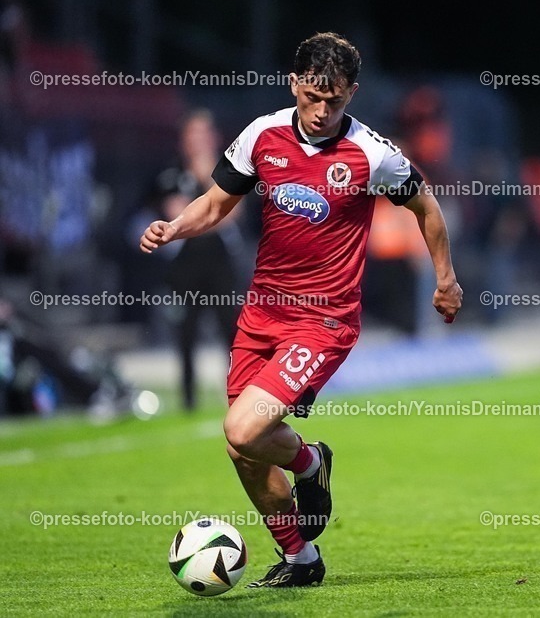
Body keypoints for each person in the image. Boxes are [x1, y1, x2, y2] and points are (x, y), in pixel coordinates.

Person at [140, 33, 463, 588]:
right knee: (243, 449)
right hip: (261, 315)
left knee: (242, 428)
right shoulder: (261, 136)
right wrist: (175, 227)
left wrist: (446, 278)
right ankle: (300, 559)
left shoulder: (371, 154)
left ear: (352, 94)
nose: (321, 111)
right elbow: (217, 201)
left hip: (324, 320)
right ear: (294, 84)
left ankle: (311, 462)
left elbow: (426, 207)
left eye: (334, 100)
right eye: (312, 96)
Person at [154, 109, 244, 411]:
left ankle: (236, 392)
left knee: (231, 334)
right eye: (194, 135)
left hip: (221, 264)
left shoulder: (230, 170)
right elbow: (178, 217)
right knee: (186, 335)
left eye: (204, 135)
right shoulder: (170, 174)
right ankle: (188, 400)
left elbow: (232, 214)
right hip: (185, 267)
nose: (199, 141)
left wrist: (207, 179)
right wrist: (207, 214)